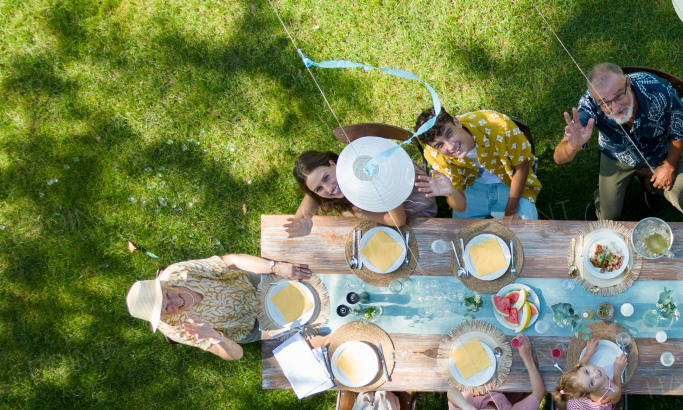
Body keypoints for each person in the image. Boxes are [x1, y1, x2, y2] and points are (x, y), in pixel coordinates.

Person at [556, 64, 683, 221]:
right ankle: (601, 196)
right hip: (617, 155)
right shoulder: (589, 104)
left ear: (628, 84)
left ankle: (649, 187)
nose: (615, 108)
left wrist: (669, 167)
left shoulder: (660, 90)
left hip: (659, 150)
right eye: (605, 103)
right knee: (608, 217)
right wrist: (572, 146)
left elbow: (680, 128)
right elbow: (559, 158)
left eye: (619, 96)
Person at [125, 254, 310, 361]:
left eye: (167, 295)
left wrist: (275, 266)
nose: (174, 302)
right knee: (315, 324)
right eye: (166, 309)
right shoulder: (175, 329)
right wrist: (215, 336)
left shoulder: (176, 273)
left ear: (164, 284)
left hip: (254, 285)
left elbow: (230, 261)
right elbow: (236, 355)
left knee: (312, 282)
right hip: (254, 325)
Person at [414, 108, 541, 220]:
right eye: (440, 145)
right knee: (460, 235)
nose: (451, 147)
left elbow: (522, 168)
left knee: (526, 232)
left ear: (456, 122)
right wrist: (452, 191)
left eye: (449, 134)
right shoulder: (434, 155)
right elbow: (461, 207)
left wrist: (511, 210)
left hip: (510, 183)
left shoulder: (500, 126)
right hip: (472, 187)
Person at [285, 149, 435, 238]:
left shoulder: (363, 172)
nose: (329, 189)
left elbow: (398, 221)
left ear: (332, 164)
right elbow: (311, 197)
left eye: (326, 178)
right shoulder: (338, 177)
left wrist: (357, 213)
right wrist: (303, 218)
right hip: (392, 203)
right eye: (319, 188)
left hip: (416, 201)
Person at [447, 336, 546, 410]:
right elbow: (539, 392)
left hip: (494, 393)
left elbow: (452, 391)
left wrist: (469, 409)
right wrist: (527, 357)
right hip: (514, 402)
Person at [552, 339, 627, 410]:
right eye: (591, 383)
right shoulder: (607, 391)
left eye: (587, 371)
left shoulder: (576, 382)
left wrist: (589, 352)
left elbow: (581, 364)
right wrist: (617, 371)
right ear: (591, 391)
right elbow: (616, 398)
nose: (595, 374)